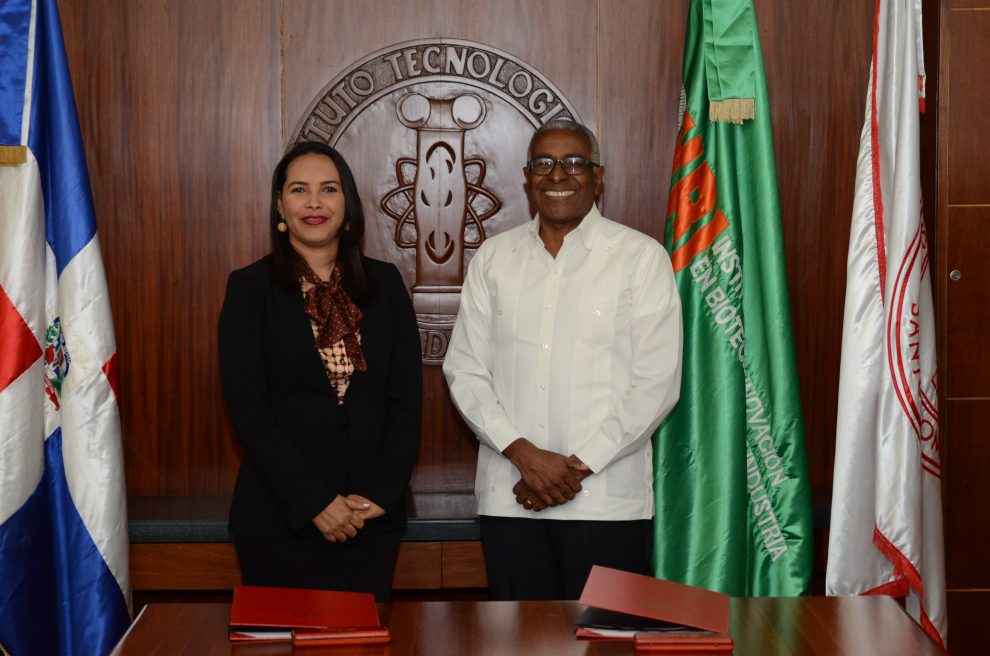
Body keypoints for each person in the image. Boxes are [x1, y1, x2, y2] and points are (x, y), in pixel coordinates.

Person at [443, 119, 682, 600]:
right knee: (516, 649)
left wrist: (572, 468)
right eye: (544, 164)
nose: (558, 176)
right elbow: (465, 370)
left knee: (607, 646)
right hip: (511, 501)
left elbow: (656, 384)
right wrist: (524, 456)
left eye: (574, 163)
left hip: (607, 506)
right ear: (527, 176)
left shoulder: (641, 258)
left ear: (598, 176)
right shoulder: (494, 258)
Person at [218, 141, 422, 601]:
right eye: (299, 190)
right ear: (280, 206)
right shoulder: (250, 289)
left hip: (370, 519)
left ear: (346, 205)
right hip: (278, 520)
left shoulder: (385, 285)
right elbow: (249, 410)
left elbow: (406, 402)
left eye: (328, 189)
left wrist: (379, 496)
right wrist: (315, 502)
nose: (314, 202)